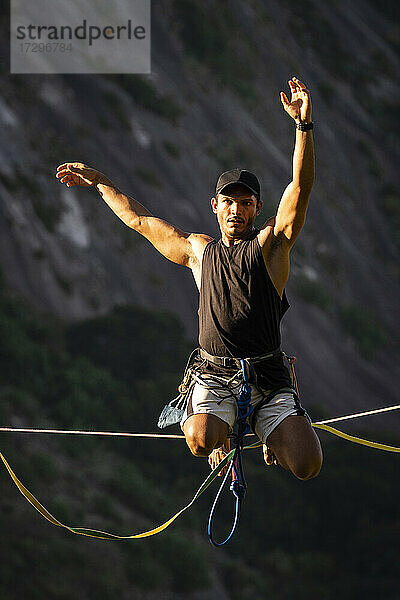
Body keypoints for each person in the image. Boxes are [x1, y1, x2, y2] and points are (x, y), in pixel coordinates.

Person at [56, 76, 323, 481]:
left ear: (256, 208)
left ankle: (267, 436)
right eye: (229, 202)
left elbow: (299, 191)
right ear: (215, 206)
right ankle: (222, 428)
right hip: (215, 374)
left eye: (246, 203)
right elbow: (140, 221)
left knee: (307, 465)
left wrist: (303, 127)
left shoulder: (272, 247)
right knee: (200, 441)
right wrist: (100, 183)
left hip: (267, 376)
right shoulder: (199, 251)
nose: (237, 210)